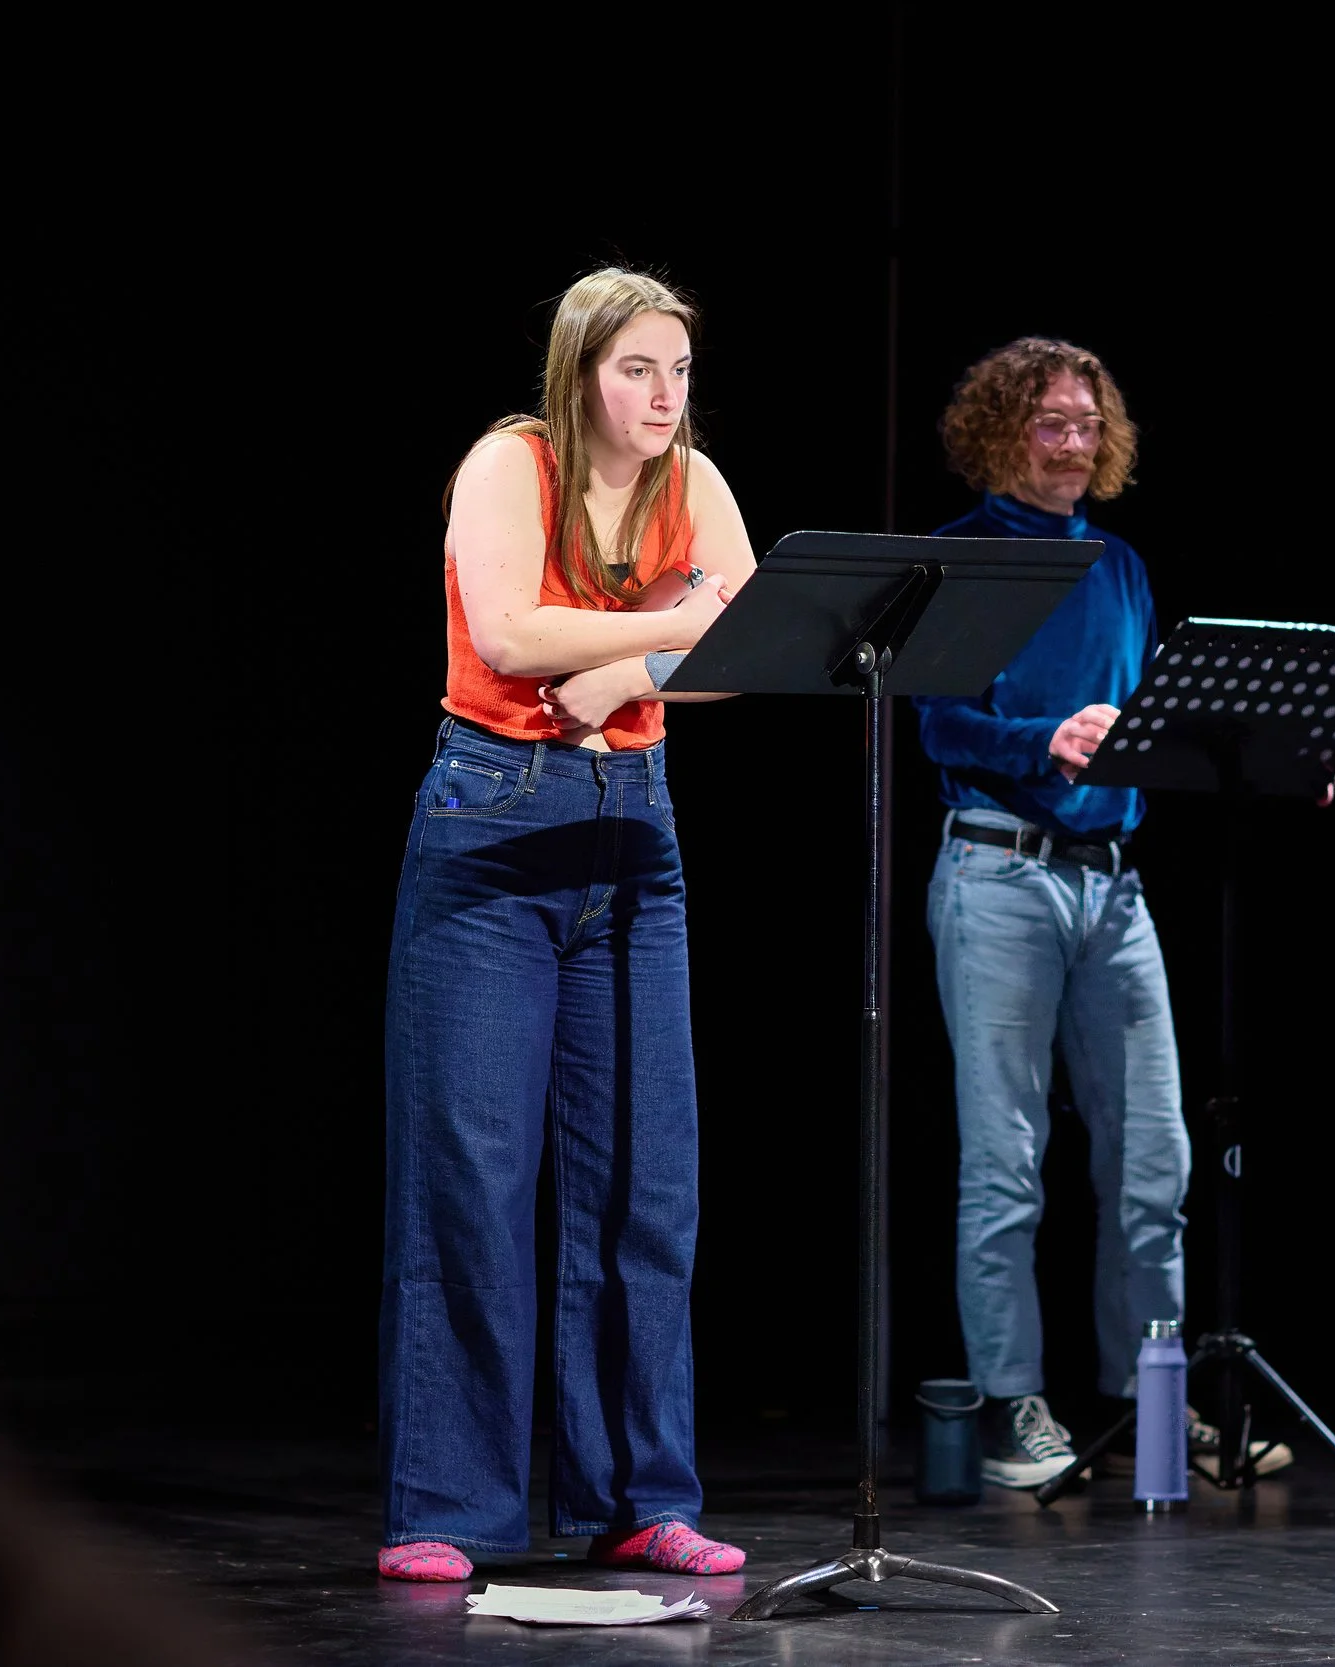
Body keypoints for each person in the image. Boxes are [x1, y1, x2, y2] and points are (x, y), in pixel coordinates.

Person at [377, 267, 758, 1582]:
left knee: (645, 1181)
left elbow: (757, 632)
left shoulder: (691, 481)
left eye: (680, 372)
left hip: (634, 836)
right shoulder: (510, 463)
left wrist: (626, 669)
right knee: (474, 1178)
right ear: (580, 370)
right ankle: (450, 1504)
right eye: (637, 369)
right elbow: (505, 623)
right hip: (494, 833)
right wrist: (661, 636)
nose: (663, 397)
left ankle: (640, 1493)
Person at [911, 338, 1335, 1489]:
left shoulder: (1120, 562)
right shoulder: (960, 559)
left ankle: (1143, 1407)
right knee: (1005, 1163)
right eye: (1050, 422)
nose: (1073, 441)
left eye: (1088, 424)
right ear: (1000, 431)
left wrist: (1282, 758)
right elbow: (936, 726)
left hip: (1113, 883)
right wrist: (1033, 739)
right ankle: (1012, 1406)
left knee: (1156, 1160)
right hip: (999, 874)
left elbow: (1159, 721)